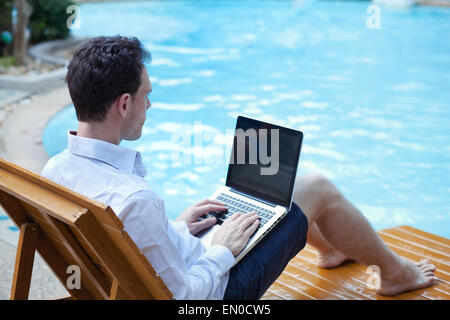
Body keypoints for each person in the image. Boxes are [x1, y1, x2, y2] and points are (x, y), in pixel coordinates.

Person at [41, 35, 437, 300]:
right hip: (219, 291)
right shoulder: (135, 200)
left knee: (246, 199)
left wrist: (175, 229)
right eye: (147, 95)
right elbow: (185, 300)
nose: (150, 105)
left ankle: (331, 249)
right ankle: (395, 273)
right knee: (314, 186)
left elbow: (132, 249)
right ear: (124, 104)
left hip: (162, 270)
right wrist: (221, 250)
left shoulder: (55, 173)